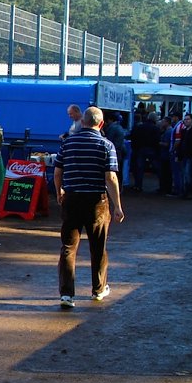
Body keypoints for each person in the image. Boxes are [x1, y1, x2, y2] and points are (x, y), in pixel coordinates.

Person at [54, 107, 124, 309]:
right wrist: (117, 205)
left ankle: (66, 294)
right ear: (101, 124)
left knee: (68, 247)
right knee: (98, 246)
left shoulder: (67, 143)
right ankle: (98, 289)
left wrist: (59, 192)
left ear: (83, 122)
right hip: (96, 202)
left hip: (72, 199)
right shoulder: (106, 145)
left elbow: (58, 172)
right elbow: (110, 177)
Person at [128, 112, 160, 192]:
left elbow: (133, 137)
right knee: (158, 168)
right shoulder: (155, 128)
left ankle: (138, 185)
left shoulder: (140, 127)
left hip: (140, 149)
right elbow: (157, 140)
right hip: (151, 149)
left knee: (139, 168)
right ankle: (162, 185)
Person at [103, 112, 127, 183]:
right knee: (119, 172)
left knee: (114, 172)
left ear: (110, 120)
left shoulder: (112, 128)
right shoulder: (120, 127)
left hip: (115, 152)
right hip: (121, 151)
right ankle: (119, 188)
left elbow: (109, 141)